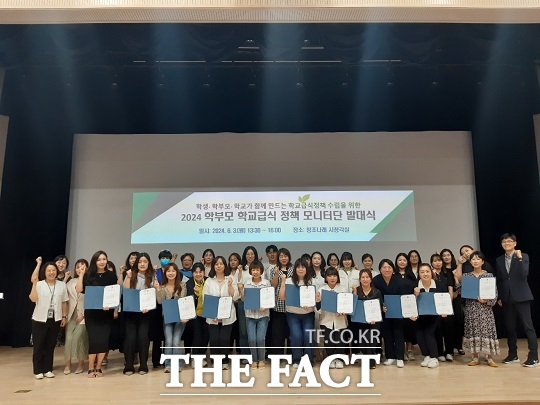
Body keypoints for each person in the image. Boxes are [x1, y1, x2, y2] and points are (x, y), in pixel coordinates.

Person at [496, 233, 538, 367]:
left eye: (509, 241)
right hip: (507, 298)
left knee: (528, 327)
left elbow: (524, 273)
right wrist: (501, 297)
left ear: (515, 243)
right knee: (510, 328)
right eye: (504, 242)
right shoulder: (499, 260)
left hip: (522, 296)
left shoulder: (523, 256)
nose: (506, 243)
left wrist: (519, 258)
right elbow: (501, 280)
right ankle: (513, 355)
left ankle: (534, 357)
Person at [76, 250, 117, 378]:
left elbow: (114, 293)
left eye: (104, 259)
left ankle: (98, 367)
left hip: (106, 312)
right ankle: (90, 368)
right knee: (93, 340)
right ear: (95, 261)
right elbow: (79, 290)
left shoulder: (111, 275)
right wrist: (82, 274)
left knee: (103, 340)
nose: (102, 262)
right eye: (99, 259)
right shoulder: (89, 275)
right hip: (92, 313)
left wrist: (111, 306)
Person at [458, 251, 500, 367]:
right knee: (472, 330)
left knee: (487, 331)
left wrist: (487, 300)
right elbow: (462, 291)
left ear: (482, 261)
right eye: (473, 259)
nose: (475, 261)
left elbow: (494, 293)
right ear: (470, 262)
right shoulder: (467, 276)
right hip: (471, 308)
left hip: (485, 309)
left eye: (478, 259)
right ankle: (475, 357)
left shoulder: (488, 276)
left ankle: (490, 358)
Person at [29, 261, 68, 379]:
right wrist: (34, 285)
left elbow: (64, 301)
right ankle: (37, 371)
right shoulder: (39, 284)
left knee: (50, 346)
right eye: (49, 270)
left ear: (57, 271)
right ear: (44, 272)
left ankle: (48, 369)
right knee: (39, 345)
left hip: (55, 319)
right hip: (40, 319)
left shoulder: (62, 285)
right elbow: (33, 298)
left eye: (53, 270)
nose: (51, 272)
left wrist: (64, 316)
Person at [373, 259, 413, 368]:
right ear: (380, 269)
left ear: (393, 269)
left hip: (397, 312)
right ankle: (390, 356)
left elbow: (404, 297)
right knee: (387, 334)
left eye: (389, 267)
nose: (387, 269)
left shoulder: (399, 280)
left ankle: (400, 357)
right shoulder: (376, 280)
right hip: (383, 312)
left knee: (398, 333)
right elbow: (374, 295)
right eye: (384, 267)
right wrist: (380, 306)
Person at [122, 252, 156, 375]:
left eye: (145, 262)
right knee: (130, 338)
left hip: (145, 313)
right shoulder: (131, 274)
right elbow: (125, 290)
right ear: (137, 263)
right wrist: (129, 277)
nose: (142, 264)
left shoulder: (152, 276)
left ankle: (143, 364)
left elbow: (153, 295)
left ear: (149, 263)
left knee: (143, 338)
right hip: (131, 312)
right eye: (140, 262)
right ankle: (129, 365)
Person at [203, 256, 239, 369]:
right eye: (217, 264)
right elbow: (205, 298)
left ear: (225, 265)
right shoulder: (209, 281)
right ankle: (215, 362)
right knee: (214, 339)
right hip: (212, 315)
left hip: (227, 315)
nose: (219, 266)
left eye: (221, 264)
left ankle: (224, 362)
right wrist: (213, 313)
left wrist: (229, 286)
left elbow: (235, 297)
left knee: (224, 339)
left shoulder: (230, 278)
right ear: (214, 266)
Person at [279, 258, 316, 367]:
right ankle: (297, 359)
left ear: (306, 269)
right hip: (292, 314)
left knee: (307, 336)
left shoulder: (311, 281)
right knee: (296, 336)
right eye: (298, 267)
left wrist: (314, 300)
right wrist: (283, 282)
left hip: (308, 314)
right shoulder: (289, 281)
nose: (300, 269)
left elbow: (316, 298)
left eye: (303, 267)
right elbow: (282, 297)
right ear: (295, 269)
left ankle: (309, 360)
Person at [413, 263, 447, 369]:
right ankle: (426, 356)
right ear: (419, 274)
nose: (425, 274)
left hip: (434, 315)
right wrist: (415, 295)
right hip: (419, 315)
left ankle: (434, 357)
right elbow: (409, 302)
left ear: (431, 273)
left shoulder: (439, 285)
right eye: (422, 272)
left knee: (428, 333)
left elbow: (444, 299)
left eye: (427, 271)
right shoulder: (415, 286)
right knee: (419, 335)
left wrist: (444, 311)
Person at [156, 262, 188, 373]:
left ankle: (178, 364)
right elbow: (160, 301)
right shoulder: (162, 287)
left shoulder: (182, 285)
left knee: (176, 341)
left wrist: (185, 316)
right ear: (165, 273)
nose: (171, 273)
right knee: (168, 341)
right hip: (167, 317)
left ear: (177, 273)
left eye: (173, 271)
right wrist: (158, 289)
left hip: (180, 318)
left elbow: (183, 301)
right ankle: (168, 364)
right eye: (168, 271)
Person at [239, 261, 270, 369]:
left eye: (257, 270)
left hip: (263, 315)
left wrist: (265, 305)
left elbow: (269, 299)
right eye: (253, 270)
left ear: (261, 271)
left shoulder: (266, 283)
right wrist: (240, 290)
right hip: (250, 315)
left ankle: (261, 359)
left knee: (260, 338)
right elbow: (243, 299)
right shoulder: (247, 283)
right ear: (250, 271)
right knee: (252, 339)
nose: (255, 272)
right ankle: (254, 360)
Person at [317, 266, 347, 368]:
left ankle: (339, 360)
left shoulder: (343, 289)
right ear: (326, 278)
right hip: (326, 321)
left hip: (340, 320)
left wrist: (344, 311)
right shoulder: (321, 290)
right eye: (329, 276)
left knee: (340, 342)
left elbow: (347, 305)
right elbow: (318, 310)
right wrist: (318, 302)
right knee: (329, 342)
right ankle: (330, 359)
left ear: (337, 277)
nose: (332, 278)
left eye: (334, 275)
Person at [64, 259, 89, 375]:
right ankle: (68, 364)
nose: (80, 269)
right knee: (69, 338)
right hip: (71, 314)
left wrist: (83, 315)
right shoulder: (70, 281)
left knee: (79, 337)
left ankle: (81, 362)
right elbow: (63, 294)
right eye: (78, 267)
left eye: (83, 267)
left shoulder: (89, 281)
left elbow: (90, 299)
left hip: (83, 314)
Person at [353, 269, 383, 369]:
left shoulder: (377, 292)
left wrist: (374, 317)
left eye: (367, 277)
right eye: (363, 277)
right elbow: (352, 307)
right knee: (361, 343)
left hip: (374, 321)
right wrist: (354, 294)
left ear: (371, 279)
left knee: (371, 339)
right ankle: (371, 358)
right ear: (360, 279)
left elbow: (380, 308)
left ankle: (370, 362)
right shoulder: (356, 290)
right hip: (359, 322)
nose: (365, 279)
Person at [268, 248, 293, 355]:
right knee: (277, 334)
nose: (283, 258)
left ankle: (291, 355)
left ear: (289, 257)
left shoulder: (293, 268)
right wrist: (277, 275)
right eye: (281, 256)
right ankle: (277, 356)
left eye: (285, 256)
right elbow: (273, 285)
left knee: (291, 333)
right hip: (278, 306)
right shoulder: (275, 269)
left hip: (291, 306)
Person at [431, 253, 455, 362]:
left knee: (449, 329)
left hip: (447, 305)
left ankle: (449, 352)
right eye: (435, 261)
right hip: (435, 305)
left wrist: (448, 303)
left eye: (439, 260)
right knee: (438, 329)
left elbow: (450, 288)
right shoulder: (430, 274)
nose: (437, 263)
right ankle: (440, 352)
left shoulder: (447, 273)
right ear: (432, 263)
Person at [394, 253, 417, 361]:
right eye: (400, 260)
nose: (402, 262)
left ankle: (409, 351)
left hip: (409, 305)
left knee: (409, 328)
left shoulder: (411, 275)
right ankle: (400, 351)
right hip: (397, 305)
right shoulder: (393, 275)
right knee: (399, 328)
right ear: (396, 262)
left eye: (404, 260)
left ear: (407, 262)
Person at [186, 263, 209, 366]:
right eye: (196, 272)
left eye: (201, 272)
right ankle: (195, 358)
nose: (198, 274)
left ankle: (201, 356)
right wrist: (194, 295)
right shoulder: (189, 283)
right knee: (197, 335)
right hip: (194, 314)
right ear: (192, 273)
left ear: (204, 272)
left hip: (207, 313)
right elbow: (186, 300)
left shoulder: (208, 281)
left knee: (206, 336)